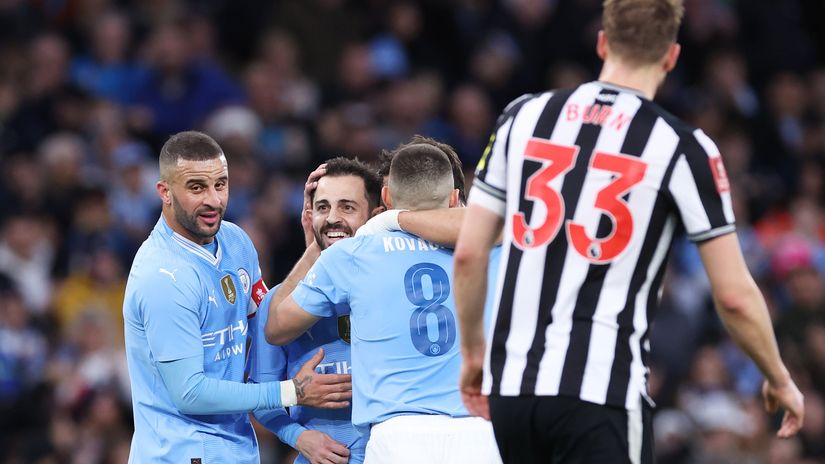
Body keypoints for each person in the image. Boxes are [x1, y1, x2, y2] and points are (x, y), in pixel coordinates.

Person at [452, 1, 805, 463]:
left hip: (515, 391)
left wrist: (474, 354)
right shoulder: (683, 148)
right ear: (672, 57)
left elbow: (469, 256)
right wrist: (778, 376)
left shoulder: (523, 116)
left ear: (602, 42)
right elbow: (735, 295)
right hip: (602, 391)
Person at [122, 131, 352, 464]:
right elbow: (190, 393)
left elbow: (269, 326)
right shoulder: (162, 276)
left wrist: (315, 242)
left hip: (236, 449)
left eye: (221, 184)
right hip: (179, 453)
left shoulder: (235, 242)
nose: (214, 200)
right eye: (197, 187)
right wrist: (293, 392)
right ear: (165, 192)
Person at [268, 143, 501, 464]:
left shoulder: (352, 255)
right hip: (480, 435)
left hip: (397, 436)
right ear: (453, 199)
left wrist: (387, 222)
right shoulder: (494, 250)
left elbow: (277, 328)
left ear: (386, 198)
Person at [250, 157, 384, 464]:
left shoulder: (396, 292)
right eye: (323, 207)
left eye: (347, 207)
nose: (333, 218)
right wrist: (298, 437)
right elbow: (261, 396)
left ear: (376, 216)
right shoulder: (277, 305)